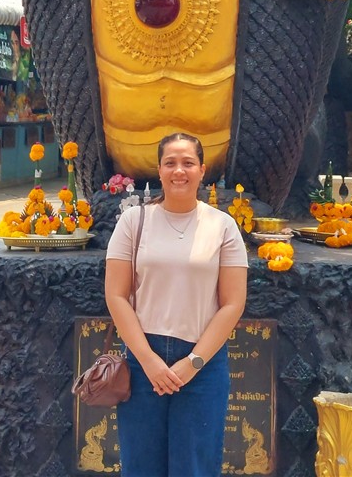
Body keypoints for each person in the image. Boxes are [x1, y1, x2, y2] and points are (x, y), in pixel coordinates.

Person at [104, 132, 248, 477]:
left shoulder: (222, 226)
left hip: (203, 364)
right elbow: (116, 295)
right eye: (170, 163)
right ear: (159, 170)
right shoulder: (134, 221)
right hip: (142, 360)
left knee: (195, 467)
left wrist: (194, 362)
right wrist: (148, 360)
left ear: (202, 171)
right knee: (141, 466)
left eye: (188, 163)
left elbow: (233, 303)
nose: (179, 171)